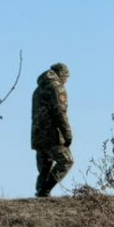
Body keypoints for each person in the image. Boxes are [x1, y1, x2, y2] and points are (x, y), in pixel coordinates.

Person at [32, 63, 74, 197]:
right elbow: (60, 113)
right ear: (62, 75)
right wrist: (67, 134)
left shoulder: (39, 89)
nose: (66, 81)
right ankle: (44, 191)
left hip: (38, 134)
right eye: (66, 78)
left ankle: (41, 193)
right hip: (52, 134)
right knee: (66, 161)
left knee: (45, 167)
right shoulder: (57, 88)